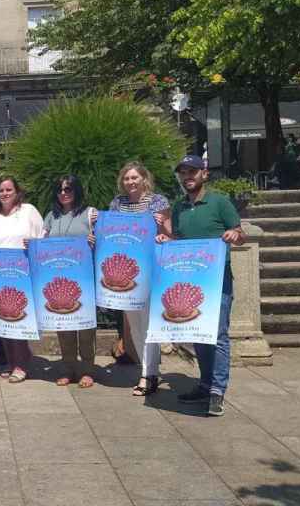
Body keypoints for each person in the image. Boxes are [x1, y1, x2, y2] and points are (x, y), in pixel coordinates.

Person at [158, 154, 246, 417]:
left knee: (218, 335)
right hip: (191, 279)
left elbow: (241, 233)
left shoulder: (220, 202)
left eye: (193, 172)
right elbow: (180, 241)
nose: (188, 177)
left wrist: (234, 234)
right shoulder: (179, 207)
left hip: (218, 279)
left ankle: (217, 391)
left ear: (204, 174)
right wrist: (166, 239)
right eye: (184, 173)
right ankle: (205, 384)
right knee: (200, 335)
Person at [108, 162, 170, 396]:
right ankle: (146, 369)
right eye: (127, 178)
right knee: (134, 324)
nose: (131, 182)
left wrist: (162, 231)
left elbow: (169, 233)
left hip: (150, 268)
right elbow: (110, 233)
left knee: (149, 323)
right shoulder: (117, 203)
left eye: (135, 178)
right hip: (124, 271)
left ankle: (149, 373)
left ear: (144, 179)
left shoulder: (158, 202)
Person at [0, 176, 44, 384]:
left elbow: (42, 236)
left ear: (17, 192)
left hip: (22, 274)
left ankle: (21, 365)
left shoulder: (28, 211)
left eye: (9, 189)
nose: (5, 193)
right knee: (3, 322)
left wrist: (34, 243)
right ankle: (13, 362)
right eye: (1, 190)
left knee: (19, 320)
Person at [42, 175, 99, 388]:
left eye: (68, 189)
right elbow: (43, 242)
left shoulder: (90, 213)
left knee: (85, 327)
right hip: (58, 280)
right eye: (60, 189)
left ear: (77, 191)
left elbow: (103, 239)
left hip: (83, 278)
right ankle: (67, 368)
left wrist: (95, 240)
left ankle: (87, 369)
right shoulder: (50, 216)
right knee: (64, 325)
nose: (64, 193)